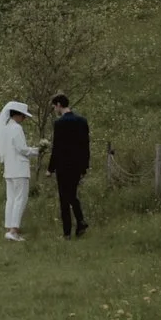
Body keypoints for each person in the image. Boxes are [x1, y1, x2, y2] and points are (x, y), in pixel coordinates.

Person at [0, 101, 39, 241]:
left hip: (9, 169)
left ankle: (10, 228)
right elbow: (22, 149)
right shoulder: (16, 128)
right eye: (23, 116)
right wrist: (36, 151)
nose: (24, 119)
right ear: (17, 115)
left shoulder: (5, 128)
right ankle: (14, 230)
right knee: (20, 199)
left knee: (11, 199)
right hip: (19, 169)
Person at [47, 93, 91, 238]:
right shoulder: (82, 121)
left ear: (59, 105)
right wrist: (85, 166)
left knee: (64, 198)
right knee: (72, 194)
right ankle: (80, 222)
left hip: (63, 165)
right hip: (77, 165)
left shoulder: (59, 124)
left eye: (54, 106)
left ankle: (67, 232)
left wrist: (50, 168)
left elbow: (57, 147)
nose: (54, 109)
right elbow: (85, 145)